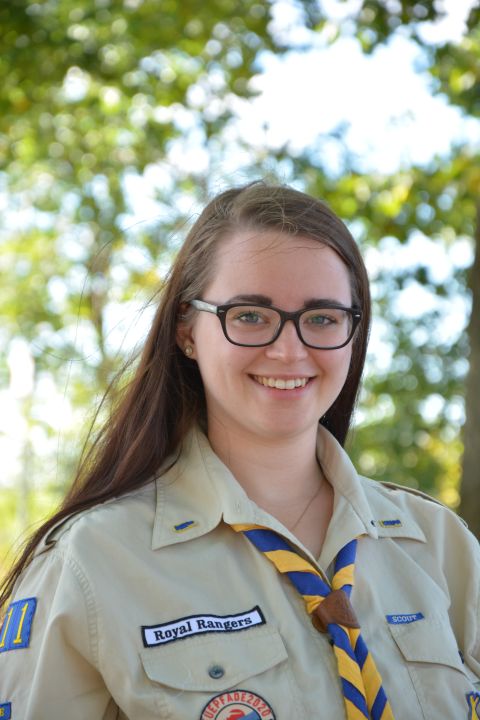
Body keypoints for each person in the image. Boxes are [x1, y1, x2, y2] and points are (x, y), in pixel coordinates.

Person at [0, 182, 479, 720]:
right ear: (186, 330)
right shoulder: (92, 560)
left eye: (322, 318)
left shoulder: (440, 546)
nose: (289, 350)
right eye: (250, 315)